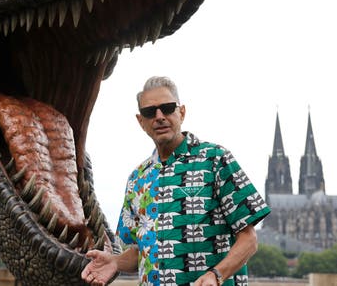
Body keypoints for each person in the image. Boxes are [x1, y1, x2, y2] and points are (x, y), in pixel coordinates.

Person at [81, 76, 270, 286]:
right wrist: (115, 262)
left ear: (182, 112)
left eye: (167, 108)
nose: (159, 116)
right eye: (150, 112)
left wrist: (217, 275)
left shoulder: (215, 159)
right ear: (140, 121)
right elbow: (139, 251)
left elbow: (249, 239)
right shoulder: (137, 179)